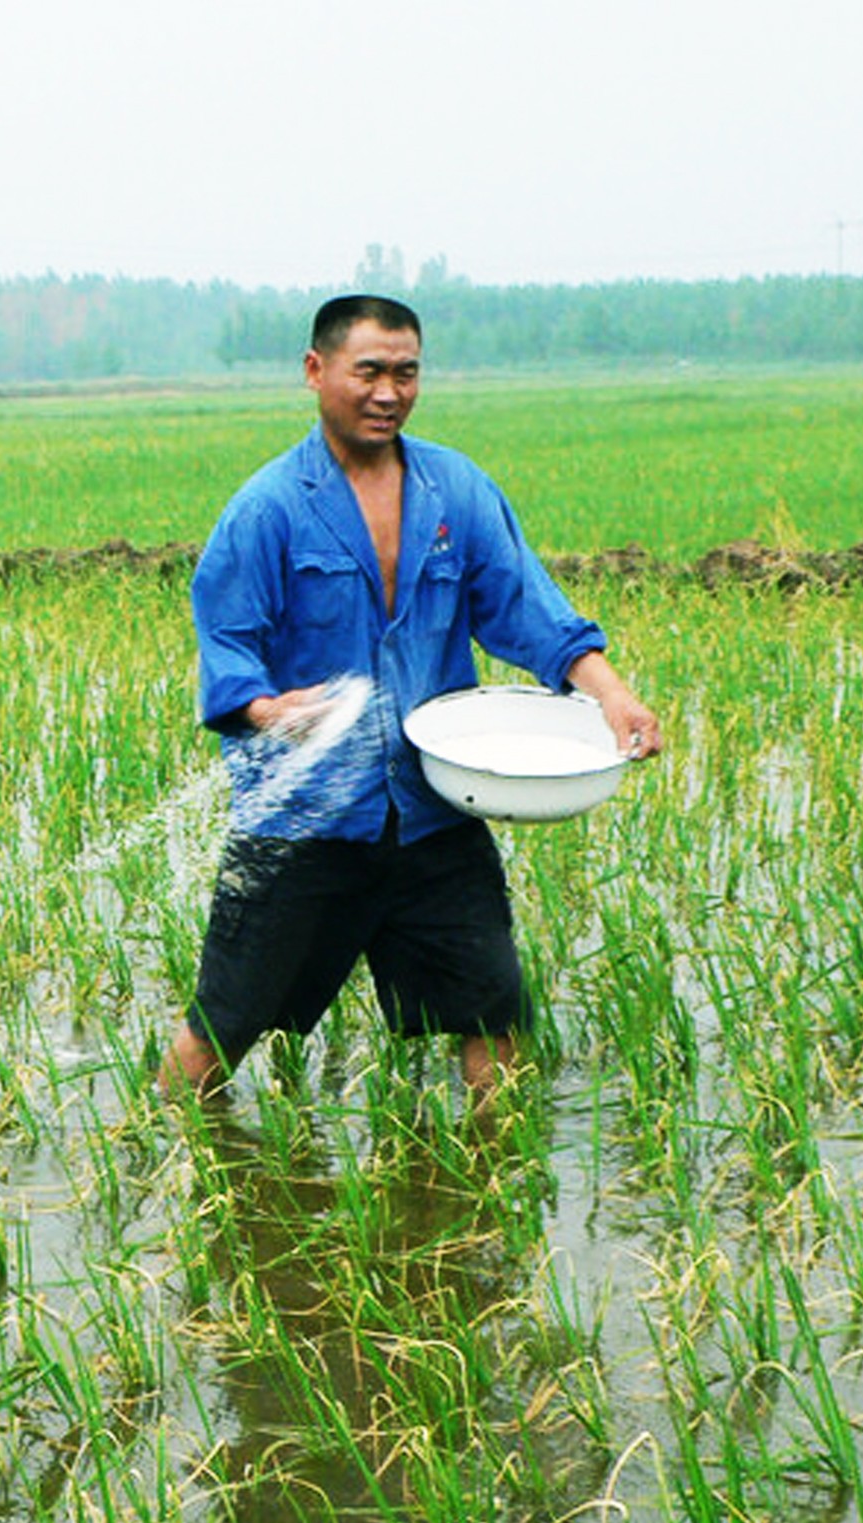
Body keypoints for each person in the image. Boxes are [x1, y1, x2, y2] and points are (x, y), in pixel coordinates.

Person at [159, 294, 663, 1101]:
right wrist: (268, 712)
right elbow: (228, 647)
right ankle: (162, 1152)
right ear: (317, 371)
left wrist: (613, 694)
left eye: (406, 373)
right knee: (226, 1021)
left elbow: (529, 608)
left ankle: (495, 1187)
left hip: (431, 809)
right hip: (305, 819)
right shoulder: (269, 510)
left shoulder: (453, 492)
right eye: (369, 372)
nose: (388, 392)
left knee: (492, 1008)